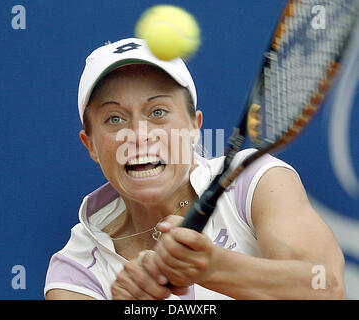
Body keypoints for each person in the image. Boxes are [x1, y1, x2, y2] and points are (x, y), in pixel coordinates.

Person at [44, 38, 346, 300]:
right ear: (91, 145)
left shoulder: (256, 182)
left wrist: (214, 268)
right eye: (114, 118)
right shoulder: (77, 270)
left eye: (158, 112)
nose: (138, 134)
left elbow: (328, 287)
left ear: (194, 127)